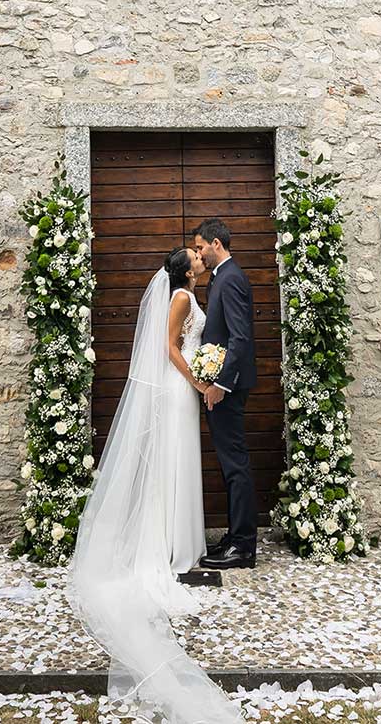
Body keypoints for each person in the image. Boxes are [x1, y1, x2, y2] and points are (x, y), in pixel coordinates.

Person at [66, 246, 238, 724]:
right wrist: (198, 381)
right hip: (175, 382)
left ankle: (180, 543)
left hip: (181, 382)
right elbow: (168, 346)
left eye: (200, 253)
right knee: (172, 459)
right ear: (186, 270)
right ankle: (167, 546)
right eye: (195, 256)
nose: (201, 257)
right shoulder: (181, 297)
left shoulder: (187, 292)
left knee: (179, 459)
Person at [192, 218, 258, 570]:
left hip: (227, 388)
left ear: (216, 244)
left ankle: (244, 546)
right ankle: (235, 537)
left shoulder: (230, 278)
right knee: (231, 462)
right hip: (225, 383)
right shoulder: (221, 278)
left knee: (235, 465)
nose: (199, 254)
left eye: (201, 247)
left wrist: (220, 384)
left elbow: (240, 338)